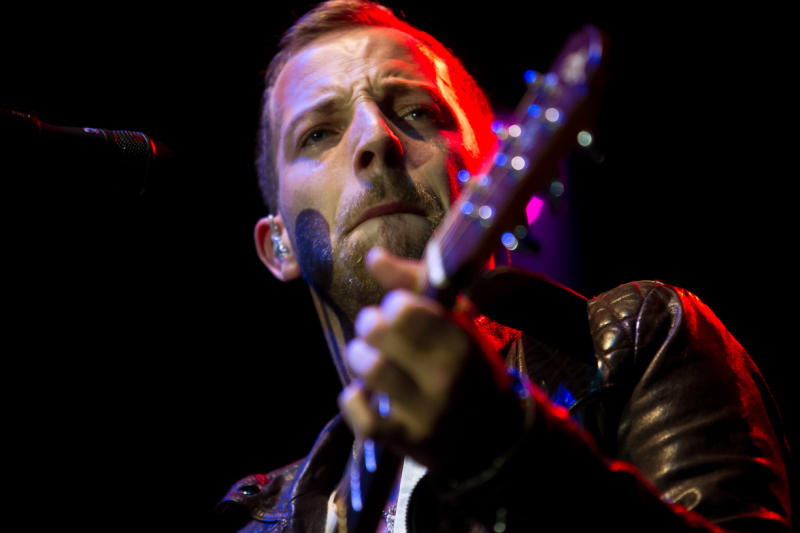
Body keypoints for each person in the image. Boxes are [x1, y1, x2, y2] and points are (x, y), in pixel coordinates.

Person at [217, 1, 791, 531]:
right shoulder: (258, 517)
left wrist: (503, 447)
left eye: (417, 111)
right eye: (318, 133)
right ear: (278, 245)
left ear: (487, 169)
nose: (376, 137)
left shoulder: (637, 339)